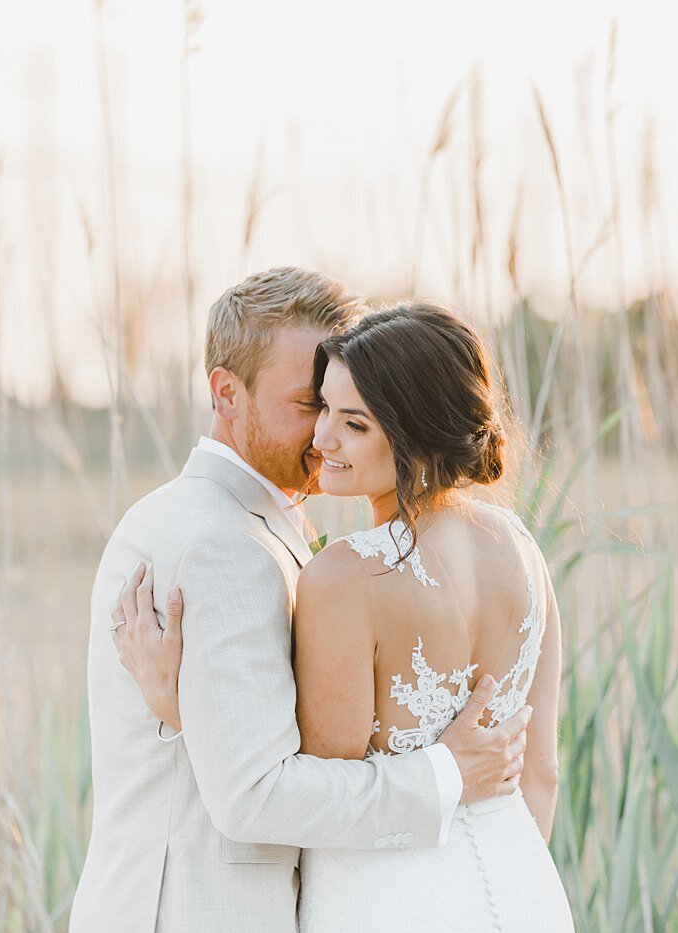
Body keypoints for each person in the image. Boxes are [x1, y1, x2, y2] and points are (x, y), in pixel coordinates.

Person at [70, 269, 529, 933]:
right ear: (226, 393)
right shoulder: (223, 544)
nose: (323, 435)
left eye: (344, 407)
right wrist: (446, 772)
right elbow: (255, 790)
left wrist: (183, 706)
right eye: (307, 404)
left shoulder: (223, 519)